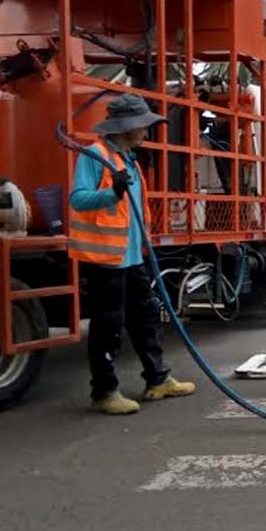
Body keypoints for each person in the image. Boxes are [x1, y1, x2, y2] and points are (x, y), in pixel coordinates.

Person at [69, 94, 196, 415]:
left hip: (134, 257)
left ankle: (157, 379)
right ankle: (104, 392)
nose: (147, 132)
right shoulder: (95, 157)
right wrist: (112, 191)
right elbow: (78, 199)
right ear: (127, 127)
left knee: (146, 317)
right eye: (143, 125)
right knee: (108, 325)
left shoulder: (130, 160)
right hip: (106, 260)